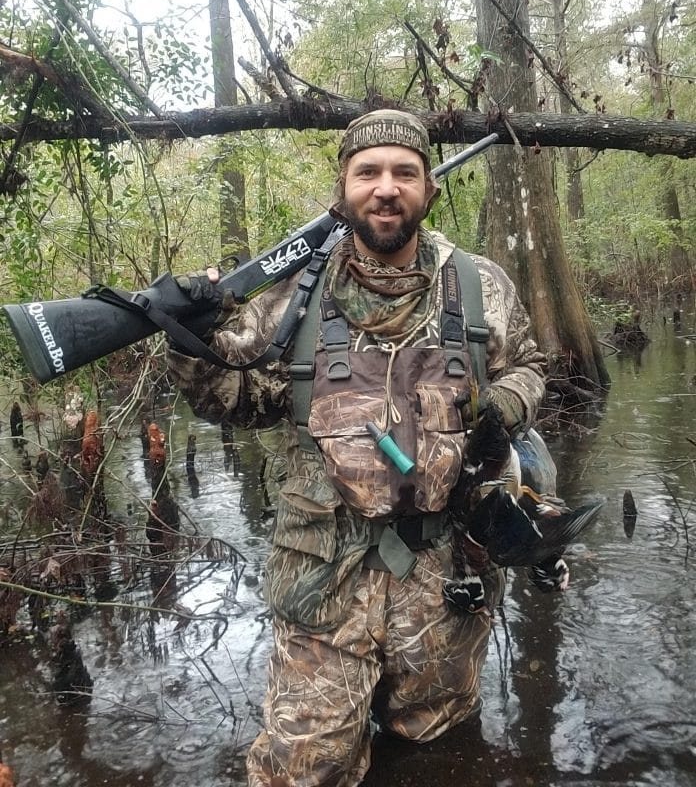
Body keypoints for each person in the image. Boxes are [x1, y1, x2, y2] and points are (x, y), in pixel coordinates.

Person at [167, 110, 549, 787]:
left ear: (429, 188)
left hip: (445, 578)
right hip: (322, 580)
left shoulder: (480, 284)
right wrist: (190, 337)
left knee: (438, 751)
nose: (386, 187)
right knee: (301, 770)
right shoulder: (291, 296)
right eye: (367, 171)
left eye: (405, 172)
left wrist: (509, 404)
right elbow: (229, 399)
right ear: (342, 189)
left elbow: (528, 364)